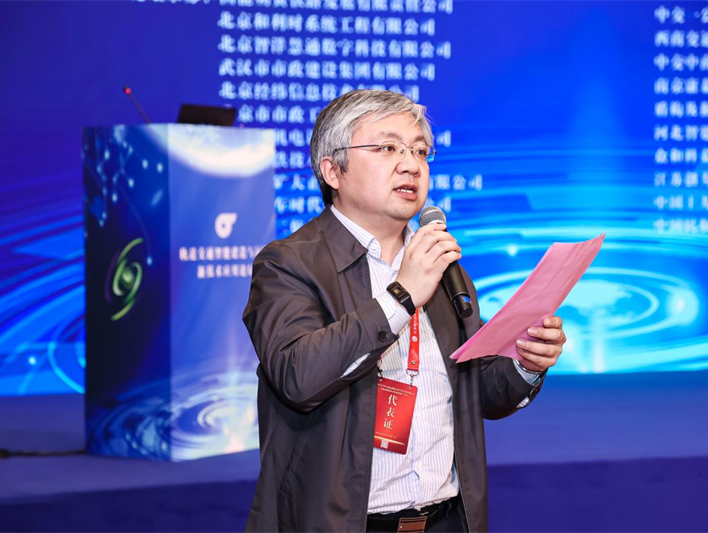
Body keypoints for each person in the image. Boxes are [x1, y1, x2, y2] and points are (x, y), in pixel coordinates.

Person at [242, 90, 567, 533]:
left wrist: (526, 360)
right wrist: (402, 296)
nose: (411, 165)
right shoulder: (288, 264)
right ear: (333, 171)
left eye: (419, 150)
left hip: (446, 520)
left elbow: (480, 393)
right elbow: (298, 376)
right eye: (387, 148)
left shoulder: (442, 267)